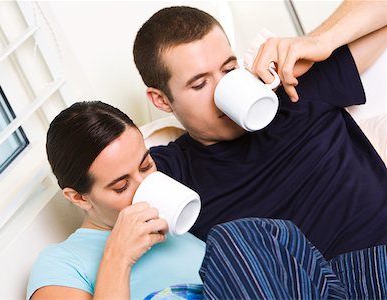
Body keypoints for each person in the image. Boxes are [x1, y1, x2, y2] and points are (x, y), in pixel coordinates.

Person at [132, 2, 387, 299]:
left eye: (228, 69)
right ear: (161, 100)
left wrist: (318, 41)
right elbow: (97, 186)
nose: (220, 92)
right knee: (232, 242)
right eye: (200, 84)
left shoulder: (295, 90)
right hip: (291, 287)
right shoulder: (169, 172)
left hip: (376, 262)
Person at [26, 101, 206, 300]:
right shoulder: (62, 263)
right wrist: (118, 257)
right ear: (79, 197)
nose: (144, 184)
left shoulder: (171, 221)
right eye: (121, 186)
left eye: (146, 166)